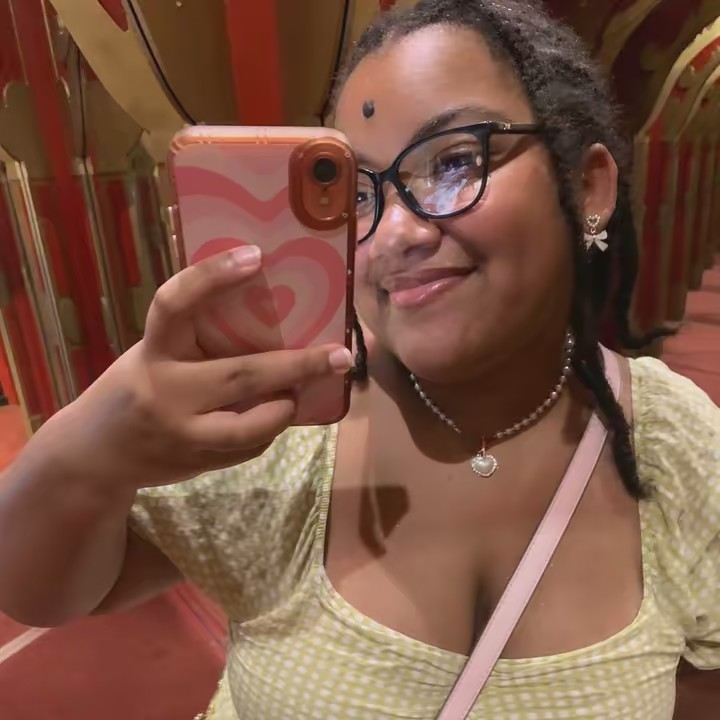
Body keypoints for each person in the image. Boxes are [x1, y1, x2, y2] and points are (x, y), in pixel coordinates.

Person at [0, 1, 718, 718]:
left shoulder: (676, 447)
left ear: (588, 186)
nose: (395, 233)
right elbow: (50, 592)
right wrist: (90, 449)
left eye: (454, 162)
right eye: (359, 192)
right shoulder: (287, 425)